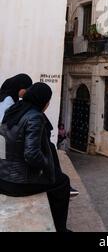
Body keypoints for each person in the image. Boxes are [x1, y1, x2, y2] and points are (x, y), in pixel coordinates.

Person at [0, 83, 72, 232]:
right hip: (17, 184)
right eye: (48, 100)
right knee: (63, 182)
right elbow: (32, 155)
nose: (48, 104)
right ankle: (60, 228)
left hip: (2, 178)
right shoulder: (35, 117)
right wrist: (47, 165)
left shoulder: (12, 111)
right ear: (42, 100)